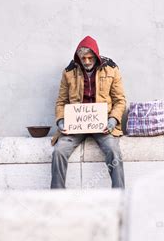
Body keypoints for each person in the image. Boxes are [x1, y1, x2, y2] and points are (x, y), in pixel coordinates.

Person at [50, 36, 126, 189]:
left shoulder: (111, 69)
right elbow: (61, 102)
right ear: (78, 58)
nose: (86, 61)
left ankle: (119, 195)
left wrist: (112, 121)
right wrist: (61, 121)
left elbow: (120, 100)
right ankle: (56, 196)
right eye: (83, 58)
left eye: (90, 57)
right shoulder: (69, 72)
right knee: (58, 151)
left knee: (114, 151)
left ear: (96, 56)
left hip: (103, 124)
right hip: (76, 125)